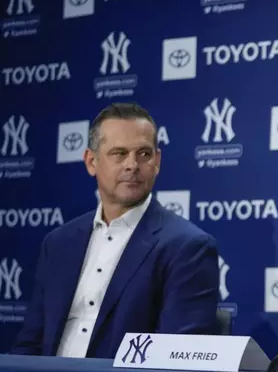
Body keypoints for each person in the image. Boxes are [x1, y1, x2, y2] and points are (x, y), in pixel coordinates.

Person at [10, 103, 222, 358]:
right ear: (91, 161)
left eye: (144, 154)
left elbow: (176, 358)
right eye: (119, 153)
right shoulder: (57, 243)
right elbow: (30, 345)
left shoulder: (188, 247)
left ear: (157, 162)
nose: (132, 165)